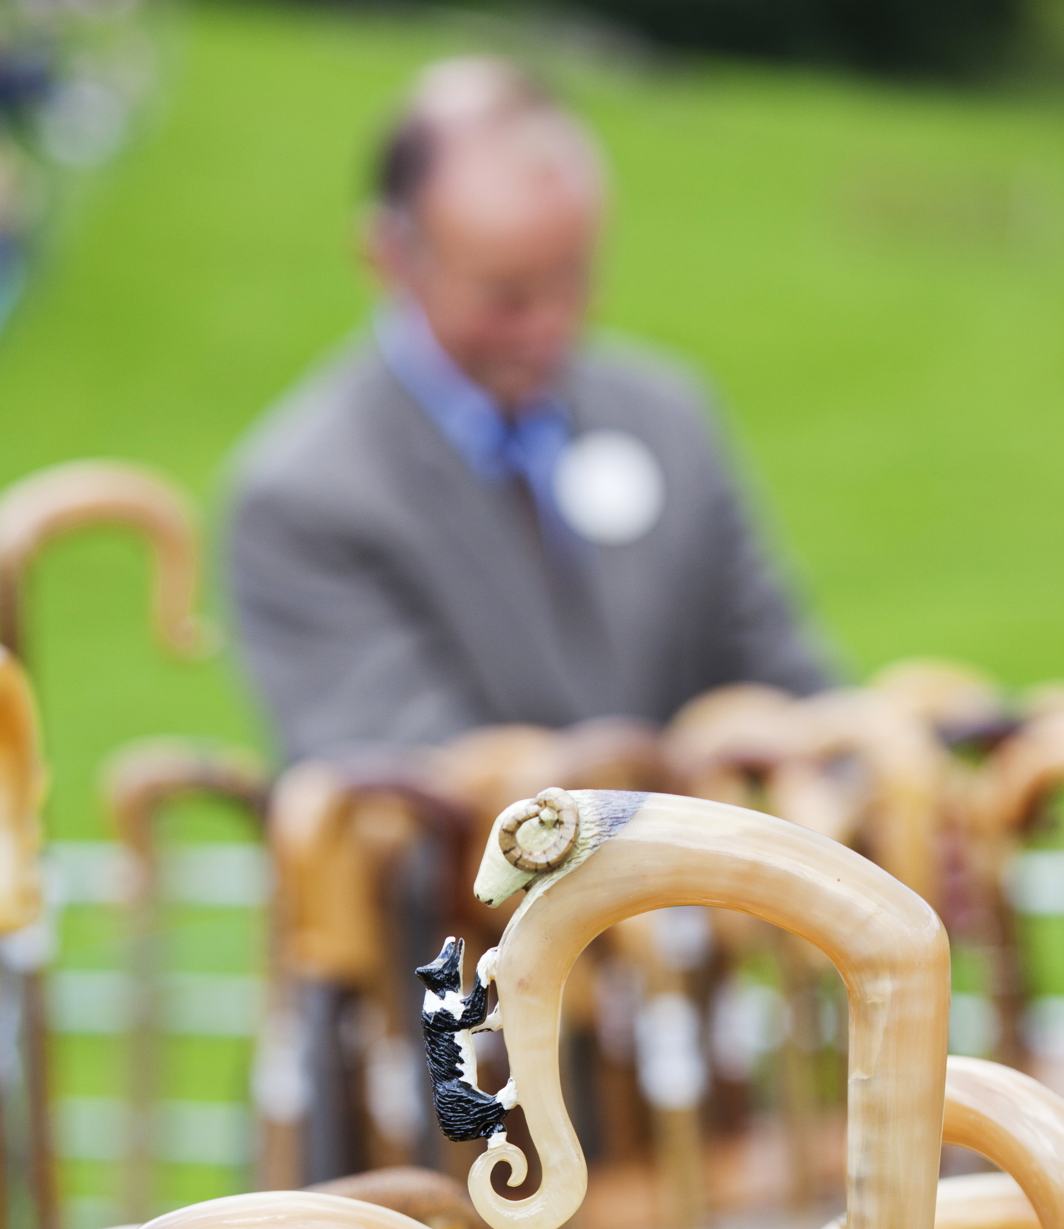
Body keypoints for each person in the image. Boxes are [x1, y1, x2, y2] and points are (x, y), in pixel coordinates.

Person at [227, 59, 830, 760]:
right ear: (389, 257)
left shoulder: (667, 417)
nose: (551, 327)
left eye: (574, 278)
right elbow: (409, 807)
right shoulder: (307, 496)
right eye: (506, 297)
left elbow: (788, 683)